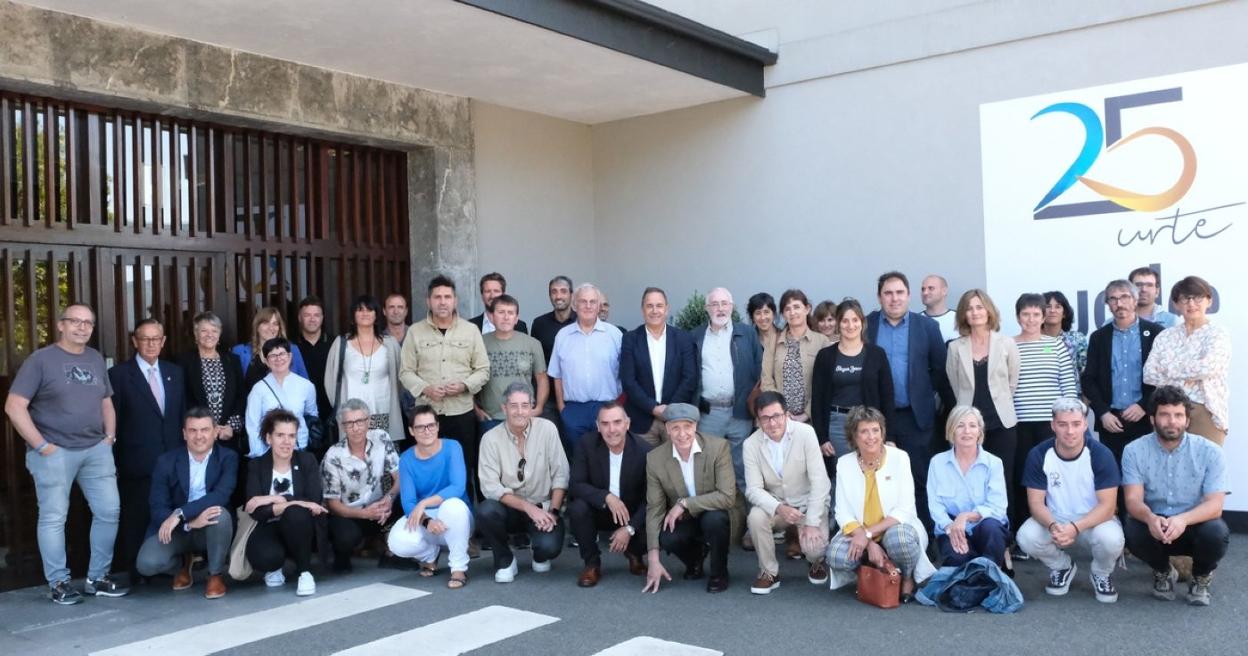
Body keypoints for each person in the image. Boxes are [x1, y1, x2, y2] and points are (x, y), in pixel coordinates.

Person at [6, 303, 128, 603]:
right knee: (53, 518)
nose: (82, 327)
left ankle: (97, 577)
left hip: (95, 450)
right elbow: (14, 406)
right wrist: (42, 445)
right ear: (60, 325)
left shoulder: (95, 358)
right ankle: (58, 583)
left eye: (88, 322)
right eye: (75, 321)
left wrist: (109, 437)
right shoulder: (41, 360)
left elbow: (106, 402)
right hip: (53, 453)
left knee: (109, 511)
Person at [1122, 385, 1229, 606]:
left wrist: (1182, 520)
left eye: (1178, 415)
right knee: (1132, 528)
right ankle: (1162, 571)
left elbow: (1215, 505)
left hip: (1194, 522)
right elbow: (1133, 500)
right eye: (1165, 415)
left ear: (1187, 421)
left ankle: (1201, 577)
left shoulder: (1211, 452)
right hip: (1157, 524)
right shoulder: (1134, 450)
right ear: (1152, 419)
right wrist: (1150, 518)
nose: (1172, 421)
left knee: (1216, 532)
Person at [866, 271, 955, 533]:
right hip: (877, 419)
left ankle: (925, 539)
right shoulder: (867, 325)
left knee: (920, 480)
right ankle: (884, 540)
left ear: (909, 295)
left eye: (899, 292)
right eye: (888, 293)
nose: (894, 299)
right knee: (881, 480)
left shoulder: (926, 327)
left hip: (917, 418)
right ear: (879, 297)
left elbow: (939, 373)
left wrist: (952, 414)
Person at [1016, 398, 1123, 602]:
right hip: (1056, 519)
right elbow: (1036, 503)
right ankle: (1062, 566)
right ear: (1053, 425)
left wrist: (1075, 527)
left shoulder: (1101, 454)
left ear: (1084, 424)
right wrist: (1053, 524)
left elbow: (1108, 507)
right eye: (1063, 424)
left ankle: (1101, 572)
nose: (1070, 431)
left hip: (1094, 520)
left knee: (1111, 539)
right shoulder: (1039, 454)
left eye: (1076, 424)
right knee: (1026, 537)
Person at [827, 406, 935, 602]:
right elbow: (842, 512)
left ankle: (908, 577)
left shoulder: (900, 458)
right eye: (864, 431)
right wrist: (867, 542)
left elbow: (905, 509)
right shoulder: (844, 463)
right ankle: (871, 569)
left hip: (894, 528)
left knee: (900, 541)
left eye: (875, 430)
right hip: (860, 531)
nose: (871, 437)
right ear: (854, 436)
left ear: (882, 432)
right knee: (835, 555)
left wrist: (868, 534)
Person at [109, 318, 187, 583]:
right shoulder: (119, 375)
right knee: (136, 517)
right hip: (136, 462)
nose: (151, 343)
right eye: (145, 338)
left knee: (169, 514)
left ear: (164, 342)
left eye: (157, 338)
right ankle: (136, 572)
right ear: (135, 341)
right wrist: (114, 462)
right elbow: (113, 421)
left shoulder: (174, 372)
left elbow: (180, 416)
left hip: (172, 460)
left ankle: (170, 568)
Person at [399, 275, 491, 496]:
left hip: (461, 413)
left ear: (455, 300)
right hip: (427, 416)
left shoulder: (470, 331)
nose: (442, 302)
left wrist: (465, 385)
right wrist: (425, 388)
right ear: (428, 301)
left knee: (464, 468)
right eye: (437, 297)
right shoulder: (415, 332)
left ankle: (467, 521)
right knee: (430, 469)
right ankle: (430, 516)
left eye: (447, 297)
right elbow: (405, 372)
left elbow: (483, 370)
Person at [135, 407, 237, 599]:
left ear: (215, 432)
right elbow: (157, 506)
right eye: (193, 430)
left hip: (209, 527)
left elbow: (220, 495)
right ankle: (181, 565)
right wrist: (188, 523)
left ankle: (215, 575)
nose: (199, 436)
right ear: (184, 434)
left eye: (205, 430)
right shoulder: (166, 461)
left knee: (220, 514)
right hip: (179, 531)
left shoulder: (228, 458)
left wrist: (181, 513)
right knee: (146, 564)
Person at [476, 382, 569, 583]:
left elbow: (561, 474)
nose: (520, 411)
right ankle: (505, 560)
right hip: (508, 508)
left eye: (525, 405)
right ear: (504, 408)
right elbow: (490, 487)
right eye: (514, 405)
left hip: (542, 507)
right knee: (486, 511)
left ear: (532, 407)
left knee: (549, 547)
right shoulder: (490, 439)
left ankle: (539, 553)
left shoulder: (547, 429)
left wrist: (552, 512)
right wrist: (527, 507)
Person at [744, 392, 832, 594]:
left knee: (815, 548)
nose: (772, 423)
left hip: (807, 502)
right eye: (765, 418)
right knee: (756, 517)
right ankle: (769, 572)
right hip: (776, 505)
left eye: (776, 416)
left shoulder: (806, 433)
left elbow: (820, 481)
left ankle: (815, 562)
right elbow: (753, 489)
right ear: (758, 420)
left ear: (786, 414)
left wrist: (811, 522)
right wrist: (779, 508)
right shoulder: (751, 444)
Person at [642, 403, 736, 593]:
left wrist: (685, 503)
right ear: (667, 429)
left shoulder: (718, 448)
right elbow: (655, 509)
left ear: (695, 426)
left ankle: (719, 572)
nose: (682, 433)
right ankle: (695, 558)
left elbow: (727, 496)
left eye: (687, 426)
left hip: (714, 511)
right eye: (675, 427)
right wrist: (653, 559)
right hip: (684, 519)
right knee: (667, 535)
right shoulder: (655, 458)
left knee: (716, 520)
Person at [946, 289, 1020, 525]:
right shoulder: (955, 347)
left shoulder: (1007, 343)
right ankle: (970, 530)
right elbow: (955, 385)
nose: (975, 312)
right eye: (969, 308)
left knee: (1002, 479)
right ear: (963, 315)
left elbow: (1012, 382)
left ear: (988, 311)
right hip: (968, 427)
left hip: (1001, 423)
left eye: (979, 307)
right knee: (969, 480)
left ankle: (1003, 535)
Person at [1010, 292, 1077, 545]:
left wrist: (1068, 419)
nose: (1030, 319)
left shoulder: (1055, 344)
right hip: (1018, 423)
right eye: (1025, 314)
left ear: (1043, 316)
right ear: (1018, 317)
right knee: (1023, 476)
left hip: (1051, 424)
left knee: (1052, 477)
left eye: (1035, 314)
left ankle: (1056, 531)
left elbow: (1068, 385)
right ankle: (1023, 534)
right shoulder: (1009, 345)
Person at [387, 406, 474, 589]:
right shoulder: (407, 459)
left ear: (437, 426)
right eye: (420, 427)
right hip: (428, 520)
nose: (427, 431)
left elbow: (457, 487)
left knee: (453, 506)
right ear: (411, 431)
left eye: (431, 425)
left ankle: (458, 567)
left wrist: (425, 502)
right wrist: (426, 521)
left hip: (458, 519)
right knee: (397, 542)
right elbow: (409, 502)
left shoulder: (452, 447)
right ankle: (429, 556)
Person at [244, 408, 327, 596]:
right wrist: (281, 500)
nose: (286, 441)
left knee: (295, 513)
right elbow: (254, 510)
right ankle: (275, 567)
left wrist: (275, 501)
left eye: (291, 435)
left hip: (301, 526)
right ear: (268, 438)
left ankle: (304, 572)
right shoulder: (256, 466)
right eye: (280, 435)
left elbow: (314, 502)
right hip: (269, 527)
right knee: (265, 557)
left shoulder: (307, 460)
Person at [568, 402, 652, 587]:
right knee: (578, 508)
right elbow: (575, 484)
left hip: (631, 514)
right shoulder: (586, 444)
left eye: (617, 422)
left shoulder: (644, 451)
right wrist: (606, 497)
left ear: (627, 424)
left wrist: (630, 528)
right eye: (605, 423)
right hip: (600, 509)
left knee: (655, 517)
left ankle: (635, 553)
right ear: (598, 426)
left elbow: (651, 500)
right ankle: (592, 564)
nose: (611, 429)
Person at [691, 287, 763, 495]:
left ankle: (747, 520)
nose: (720, 308)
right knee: (708, 467)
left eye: (724, 303)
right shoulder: (695, 336)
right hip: (708, 414)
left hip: (740, 411)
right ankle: (713, 520)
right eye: (714, 304)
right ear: (707, 308)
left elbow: (760, 371)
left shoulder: (747, 333)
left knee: (742, 468)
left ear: (731, 306)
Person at [1143, 275, 1231, 446]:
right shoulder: (1166, 336)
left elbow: (1208, 368)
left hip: (1205, 408)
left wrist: (1168, 368)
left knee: (1204, 467)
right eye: (1185, 299)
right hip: (1168, 409)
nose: (1191, 304)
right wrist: (1189, 374)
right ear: (1176, 304)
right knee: (1169, 467)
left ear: (1209, 301)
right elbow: (1149, 374)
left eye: (1198, 298)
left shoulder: (1218, 334)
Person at [1083, 280, 1162, 464]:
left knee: (1145, 475)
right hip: (1111, 422)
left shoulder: (1156, 333)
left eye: (1125, 297)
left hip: (1145, 418)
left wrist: (1144, 405)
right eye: (1113, 299)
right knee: (1114, 479)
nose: (1119, 304)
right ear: (1108, 304)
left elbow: (1162, 377)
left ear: (1135, 300)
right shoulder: (1098, 337)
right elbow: (1089, 379)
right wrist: (1102, 413)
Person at [321, 399, 401, 572]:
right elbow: (332, 504)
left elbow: (399, 476)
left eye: (360, 421)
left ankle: (391, 553)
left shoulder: (381, 437)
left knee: (407, 497)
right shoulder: (333, 455)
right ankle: (341, 556)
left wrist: (389, 498)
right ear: (342, 426)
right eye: (350, 423)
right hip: (348, 513)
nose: (356, 428)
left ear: (369, 421)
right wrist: (365, 514)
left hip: (378, 505)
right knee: (346, 536)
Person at [926, 405, 1009, 568]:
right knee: (958, 560)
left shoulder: (994, 463)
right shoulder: (937, 462)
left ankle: (993, 573)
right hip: (950, 527)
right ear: (951, 430)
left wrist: (964, 517)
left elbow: (998, 508)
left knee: (992, 529)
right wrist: (951, 527)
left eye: (972, 425)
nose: (967, 431)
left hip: (984, 527)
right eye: (960, 425)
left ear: (980, 431)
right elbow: (935, 505)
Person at [812, 299, 894, 462]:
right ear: (838, 324)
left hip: (869, 425)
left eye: (855, 320)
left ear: (862, 323)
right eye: (845, 321)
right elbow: (817, 399)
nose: (850, 326)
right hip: (836, 425)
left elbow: (888, 397)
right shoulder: (825, 356)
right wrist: (821, 437)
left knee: (869, 471)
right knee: (841, 474)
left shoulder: (876, 354)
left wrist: (889, 436)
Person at [549, 283, 623, 452]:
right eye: (583, 301)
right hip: (573, 411)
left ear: (599, 306)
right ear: (575, 305)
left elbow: (625, 372)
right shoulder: (563, 336)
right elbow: (556, 374)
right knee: (577, 459)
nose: (588, 306)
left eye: (592, 301)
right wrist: (562, 409)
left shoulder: (615, 335)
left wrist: (619, 406)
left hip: (607, 407)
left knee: (607, 457)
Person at [619, 287, 698, 446]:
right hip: (642, 420)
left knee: (676, 467)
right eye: (650, 306)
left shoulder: (683, 339)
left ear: (667, 309)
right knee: (643, 467)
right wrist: (653, 408)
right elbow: (628, 380)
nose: (655, 310)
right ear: (643, 310)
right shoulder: (630, 339)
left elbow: (690, 377)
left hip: (677, 420)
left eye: (659, 306)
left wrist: (669, 410)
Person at [325, 295, 404, 437]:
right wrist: (341, 410)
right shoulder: (341, 343)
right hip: (351, 416)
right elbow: (330, 380)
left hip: (383, 411)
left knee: (383, 457)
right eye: (360, 310)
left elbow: (400, 379)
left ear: (376, 314)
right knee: (353, 457)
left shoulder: (390, 344)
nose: (365, 313)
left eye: (370, 310)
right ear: (353, 315)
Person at [476, 294, 548, 435]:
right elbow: (469, 378)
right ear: (491, 316)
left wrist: (538, 408)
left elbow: (542, 378)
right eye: (501, 312)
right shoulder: (479, 343)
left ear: (516, 318)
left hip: (524, 417)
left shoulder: (532, 344)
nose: (506, 317)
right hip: (491, 419)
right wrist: (476, 410)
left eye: (510, 313)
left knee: (525, 457)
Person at [176, 312, 245, 453]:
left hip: (227, 436)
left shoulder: (232, 360)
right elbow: (182, 399)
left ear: (219, 335)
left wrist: (231, 426)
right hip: (198, 436)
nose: (209, 335)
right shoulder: (183, 362)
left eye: (214, 331)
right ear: (195, 334)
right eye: (204, 330)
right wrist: (204, 427)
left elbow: (241, 395)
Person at [761, 289, 830, 423]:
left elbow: (825, 385)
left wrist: (806, 414)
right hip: (780, 420)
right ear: (783, 314)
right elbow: (766, 380)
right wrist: (781, 412)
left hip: (813, 420)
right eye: (787, 309)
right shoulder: (773, 342)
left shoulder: (821, 342)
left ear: (807, 309)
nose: (792, 312)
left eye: (797, 307)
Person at [244, 338, 318, 458]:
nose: (278, 359)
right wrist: (260, 455)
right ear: (266, 361)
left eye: (282, 354)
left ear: (290, 356)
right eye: (273, 355)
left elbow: (311, 416)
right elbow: (253, 425)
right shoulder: (258, 389)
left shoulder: (306, 386)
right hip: (269, 451)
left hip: (300, 448)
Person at [293, 296, 334, 449]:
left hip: (331, 413)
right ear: (299, 318)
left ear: (322, 318)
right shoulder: (290, 347)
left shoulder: (334, 344)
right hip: (301, 414)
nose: (312, 319)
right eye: (307, 315)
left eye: (316, 315)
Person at [231, 306, 309, 386]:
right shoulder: (240, 352)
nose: (271, 328)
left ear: (279, 328)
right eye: (265, 323)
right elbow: (234, 388)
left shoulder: (292, 349)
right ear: (257, 327)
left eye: (275, 324)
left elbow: (305, 384)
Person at [531, 275, 577, 367]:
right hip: (548, 380)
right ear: (550, 296)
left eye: (563, 291)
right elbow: (535, 360)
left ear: (571, 295)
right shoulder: (539, 324)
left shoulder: (581, 321)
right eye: (554, 292)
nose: (558, 296)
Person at [1042, 290, 1088, 378]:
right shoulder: (1034, 339)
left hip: (1073, 391)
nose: (1052, 310)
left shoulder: (1077, 339)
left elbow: (1084, 371)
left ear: (1064, 313)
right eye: (1048, 306)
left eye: (1058, 307)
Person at [920, 274, 959, 343]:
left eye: (931, 288)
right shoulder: (915, 321)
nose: (925, 293)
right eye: (923, 289)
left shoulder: (959, 319)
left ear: (944, 291)